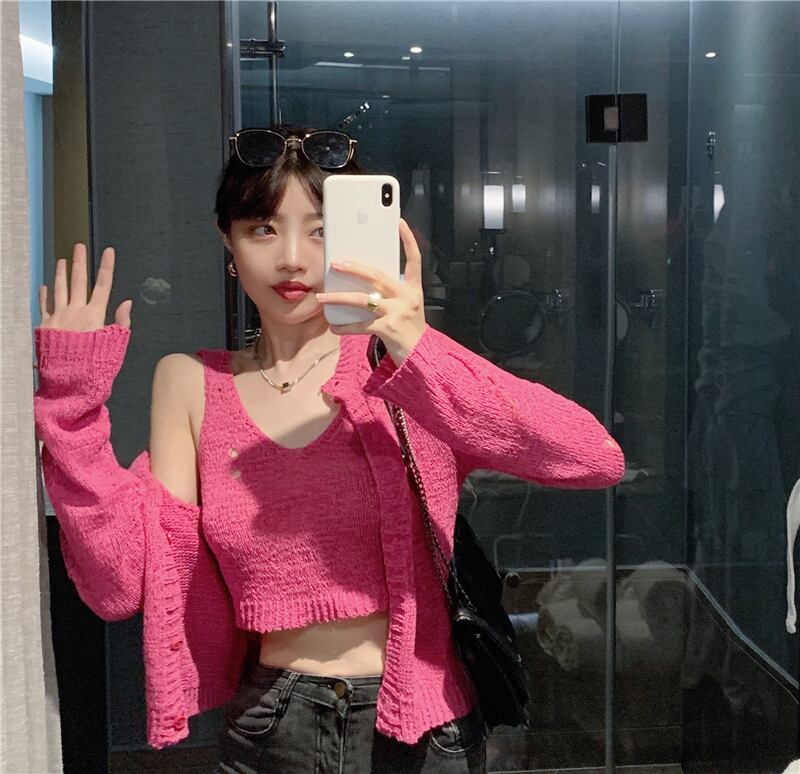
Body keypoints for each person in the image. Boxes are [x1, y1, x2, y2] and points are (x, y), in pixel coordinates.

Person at [33, 123, 626, 773]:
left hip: (422, 728)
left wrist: (418, 347)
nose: (291, 258)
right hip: (271, 726)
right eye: (263, 228)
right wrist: (71, 405)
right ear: (228, 242)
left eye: (319, 231)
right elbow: (120, 586)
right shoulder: (190, 383)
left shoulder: (404, 369)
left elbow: (594, 457)